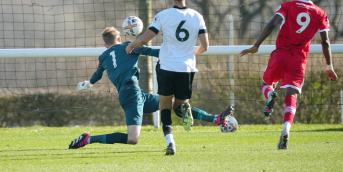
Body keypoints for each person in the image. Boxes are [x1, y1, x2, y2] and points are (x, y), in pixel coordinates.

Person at [69, 27, 233, 150]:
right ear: (119, 38)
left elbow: (97, 76)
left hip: (134, 94)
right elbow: (151, 51)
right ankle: (88, 139)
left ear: (105, 45)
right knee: (133, 139)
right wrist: (179, 53)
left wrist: (87, 85)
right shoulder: (129, 46)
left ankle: (216, 119)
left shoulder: (103, 57)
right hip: (131, 95)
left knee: (174, 104)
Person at [126, 0, 232, 155]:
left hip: (166, 67)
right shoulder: (197, 17)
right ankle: (187, 108)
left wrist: (132, 45)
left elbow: (145, 38)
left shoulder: (163, 15)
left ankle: (170, 142)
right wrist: (191, 54)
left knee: (165, 106)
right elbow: (205, 46)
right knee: (179, 106)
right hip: (187, 69)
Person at [240, 0, 338, 150]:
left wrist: (256, 45)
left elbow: (272, 24)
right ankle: (286, 128)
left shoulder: (287, 6)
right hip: (299, 60)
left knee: (266, 83)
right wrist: (329, 66)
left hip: (281, 53)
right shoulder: (320, 13)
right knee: (291, 96)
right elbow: (326, 42)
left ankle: (270, 94)